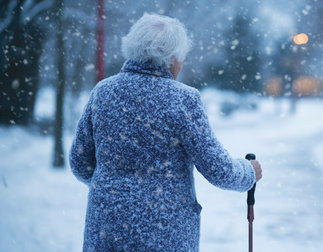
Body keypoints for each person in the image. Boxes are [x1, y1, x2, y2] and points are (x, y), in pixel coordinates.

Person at [69, 13, 262, 251]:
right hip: (165, 232)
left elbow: (80, 162)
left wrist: (116, 186)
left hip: (107, 227)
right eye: (180, 58)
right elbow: (217, 169)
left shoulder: (103, 92)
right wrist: (248, 172)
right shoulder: (183, 99)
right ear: (171, 59)